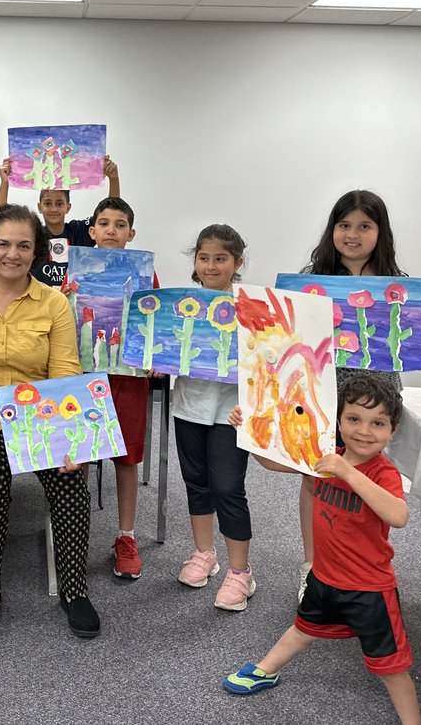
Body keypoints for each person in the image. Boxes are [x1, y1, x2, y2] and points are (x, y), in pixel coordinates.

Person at [223, 375, 421, 725]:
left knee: (391, 668)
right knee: (303, 629)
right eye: (354, 419)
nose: (364, 431)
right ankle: (266, 670)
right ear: (339, 420)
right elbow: (272, 462)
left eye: (378, 423)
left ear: (393, 429)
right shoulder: (326, 458)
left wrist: (346, 471)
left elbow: (398, 515)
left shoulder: (382, 472)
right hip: (325, 577)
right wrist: (248, 431)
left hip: (369, 590)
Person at [0, 204, 98, 640]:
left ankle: (75, 590)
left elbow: (66, 374)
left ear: (36, 253)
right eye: (3, 244)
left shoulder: (54, 304)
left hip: (41, 419)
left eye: (23, 246)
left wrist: (72, 441)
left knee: (71, 483)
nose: (12, 254)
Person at [294, 190, 421, 599]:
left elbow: (408, 344)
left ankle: (360, 565)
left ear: (380, 232)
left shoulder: (399, 288)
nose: (352, 234)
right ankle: (315, 566)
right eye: (344, 225)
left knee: (369, 480)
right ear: (332, 230)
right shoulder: (310, 285)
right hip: (326, 398)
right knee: (318, 477)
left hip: (376, 400)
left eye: (364, 225)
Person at [172, 224, 257, 610]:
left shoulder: (251, 307)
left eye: (220, 258)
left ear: (237, 263)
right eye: (203, 258)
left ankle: (241, 573)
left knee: (227, 488)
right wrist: (155, 362)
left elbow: (265, 355)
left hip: (232, 411)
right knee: (197, 482)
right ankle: (204, 554)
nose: (210, 265)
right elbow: (164, 345)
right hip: (188, 405)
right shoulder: (180, 304)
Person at [77, 197, 159, 581]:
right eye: (104, 223)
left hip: (128, 381)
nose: (112, 229)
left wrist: (158, 358)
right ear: (92, 231)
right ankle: (72, 531)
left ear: (131, 233)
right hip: (82, 380)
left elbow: (158, 325)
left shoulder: (146, 273)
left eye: (120, 224)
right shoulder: (75, 270)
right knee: (76, 457)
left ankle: (126, 537)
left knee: (127, 460)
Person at [0, 155, 120, 287]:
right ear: (39, 207)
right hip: (39, 303)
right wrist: (4, 183)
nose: (54, 209)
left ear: (68, 207)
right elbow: (2, 223)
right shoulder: (34, 234)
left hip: (74, 305)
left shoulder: (80, 231)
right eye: (48, 203)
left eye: (59, 204)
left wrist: (113, 179)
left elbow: (111, 214)